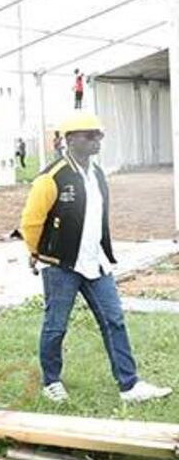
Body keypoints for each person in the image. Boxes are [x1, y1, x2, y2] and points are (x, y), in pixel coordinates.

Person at [20, 113, 171, 404]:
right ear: (71, 139)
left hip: (95, 262)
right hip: (61, 265)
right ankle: (51, 381)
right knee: (56, 325)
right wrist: (36, 252)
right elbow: (31, 221)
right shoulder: (51, 178)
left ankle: (129, 385)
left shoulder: (97, 174)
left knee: (114, 320)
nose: (97, 140)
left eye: (99, 134)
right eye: (90, 135)